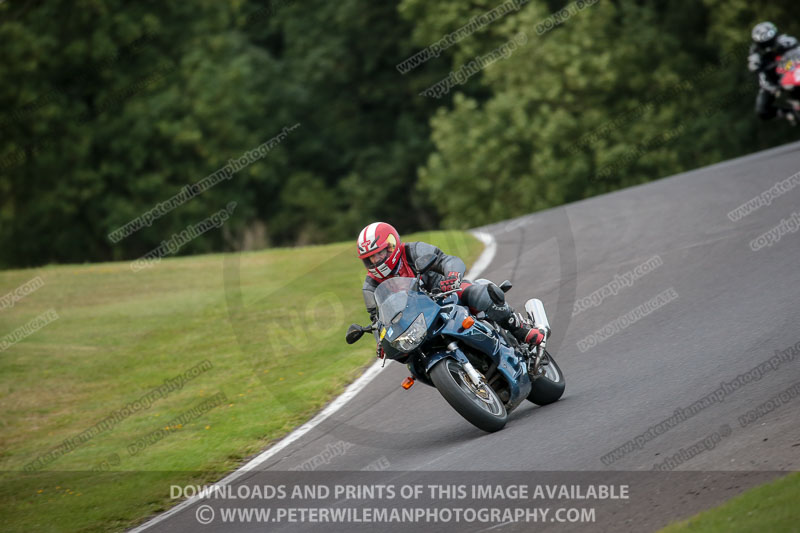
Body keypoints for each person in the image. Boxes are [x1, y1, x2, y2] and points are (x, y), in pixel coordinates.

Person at [356, 222, 544, 357]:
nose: (376, 260)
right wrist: (380, 342)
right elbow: (377, 320)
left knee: (477, 294)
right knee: (407, 356)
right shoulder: (370, 286)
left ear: (391, 246)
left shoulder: (412, 251)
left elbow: (447, 261)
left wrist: (452, 276)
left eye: (379, 253)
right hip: (417, 320)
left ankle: (520, 330)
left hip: (445, 294)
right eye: (371, 258)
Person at [747, 21, 799, 121]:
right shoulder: (755, 53)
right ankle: (791, 113)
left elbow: (796, 50)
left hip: (791, 71)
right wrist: (772, 87)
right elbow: (757, 72)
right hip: (773, 81)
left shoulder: (786, 41)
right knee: (762, 110)